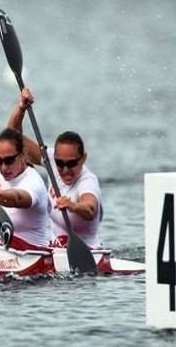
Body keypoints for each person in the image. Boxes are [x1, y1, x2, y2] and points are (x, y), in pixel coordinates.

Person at [7, 87, 104, 249]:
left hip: (88, 252)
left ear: (83, 158)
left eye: (71, 163)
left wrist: (73, 205)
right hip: (55, 248)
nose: (65, 169)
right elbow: (12, 137)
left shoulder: (88, 181)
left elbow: (90, 209)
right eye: (60, 163)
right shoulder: (50, 160)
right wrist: (21, 108)